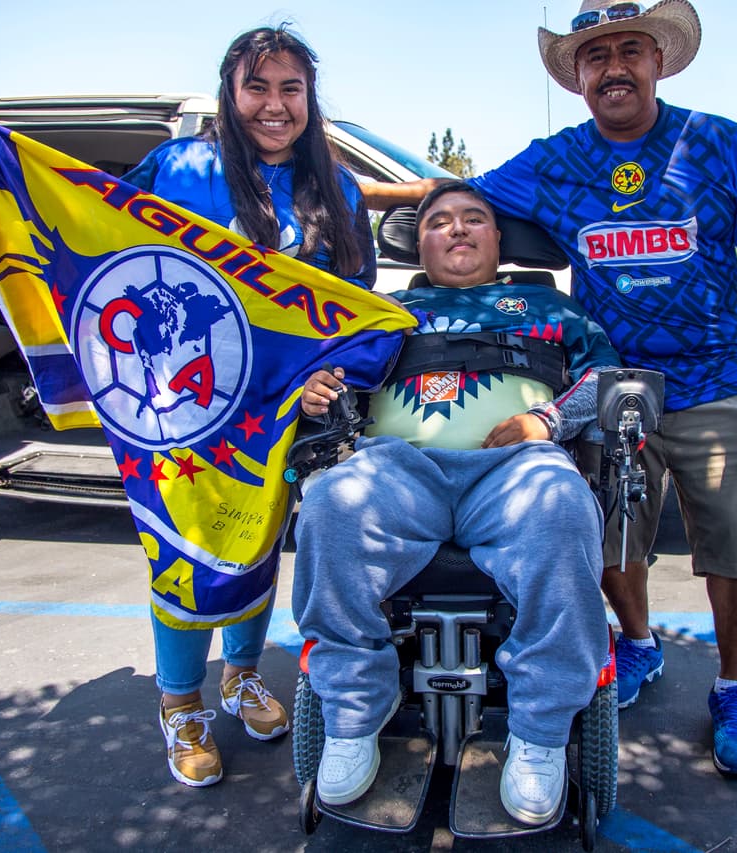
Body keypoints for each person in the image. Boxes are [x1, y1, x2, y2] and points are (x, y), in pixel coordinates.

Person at [362, 0, 737, 778]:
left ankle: (734, 685)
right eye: (597, 57)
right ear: (580, 77)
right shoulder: (554, 159)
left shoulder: (719, 143)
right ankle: (638, 643)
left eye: (631, 50)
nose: (615, 67)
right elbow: (449, 194)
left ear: (659, 60)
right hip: (608, 379)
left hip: (710, 381)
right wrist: (329, 191)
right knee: (605, 532)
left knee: (736, 537)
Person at [292, 182, 620, 825]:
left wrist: (549, 421)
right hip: (400, 468)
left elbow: (607, 381)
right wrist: (317, 390)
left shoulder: (549, 305)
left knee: (562, 503)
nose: (459, 229)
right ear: (419, 242)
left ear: (500, 239)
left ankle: (542, 731)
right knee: (329, 502)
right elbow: (328, 381)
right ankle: (356, 711)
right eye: (440, 221)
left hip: (514, 468)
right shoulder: (382, 310)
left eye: (476, 219)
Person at [120, 23, 377, 788]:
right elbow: (104, 241)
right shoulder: (180, 167)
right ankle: (181, 704)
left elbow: (356, 305)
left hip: (284, 413)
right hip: (184, 406)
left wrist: (333, 378)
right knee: (186, 551)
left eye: (290, 89)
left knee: (258, 546)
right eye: (257, 87)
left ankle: (239, 675)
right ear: (231, 97)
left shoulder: (337, 186)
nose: (274, 105)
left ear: (309, 98)